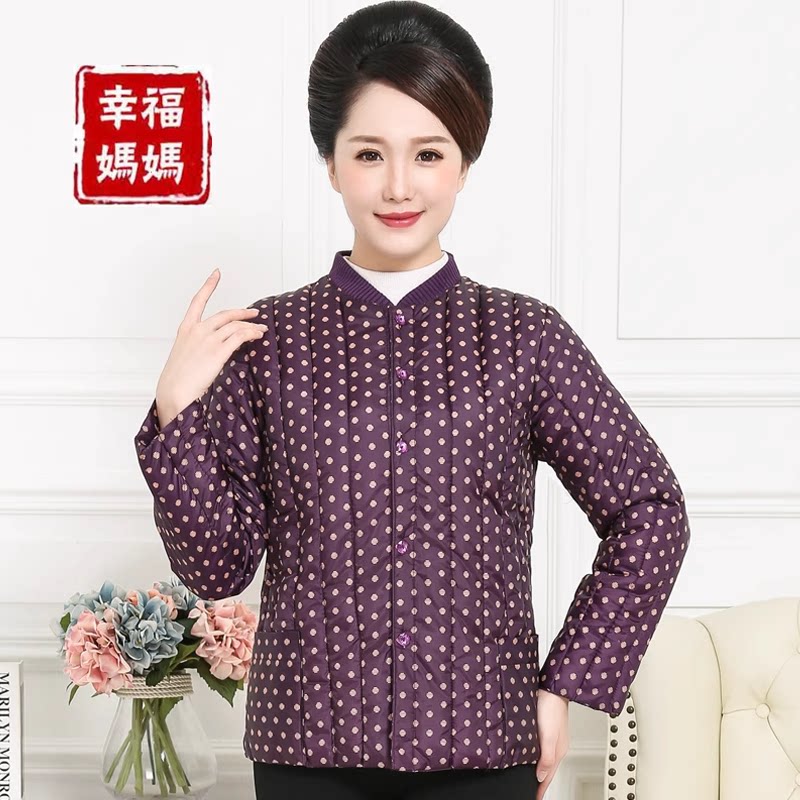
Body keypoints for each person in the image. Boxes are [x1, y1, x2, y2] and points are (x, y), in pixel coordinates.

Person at [133, 2, 691, 799]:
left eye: (428, 153)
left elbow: (650, 509)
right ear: (331, 163)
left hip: (483, 745)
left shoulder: (524, 337)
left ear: (464, 163)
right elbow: (216, 568)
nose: (399, 185)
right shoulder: (267, 342)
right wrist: (175, 411)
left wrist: (565, 683)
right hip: (305, 749)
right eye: (369, 154)